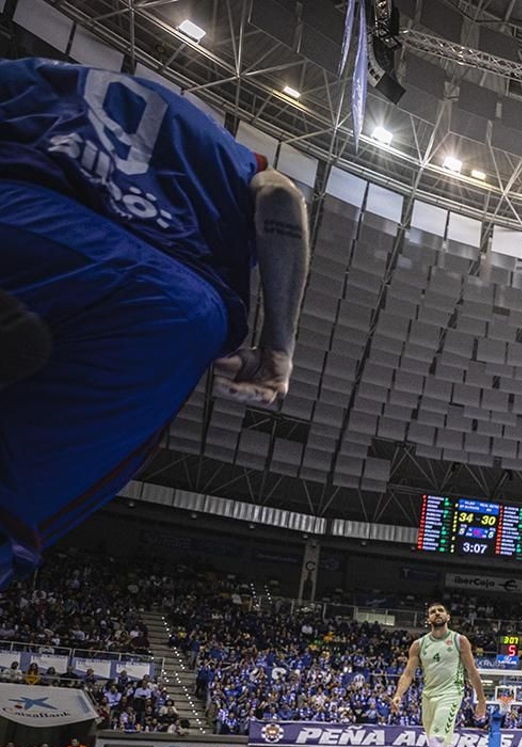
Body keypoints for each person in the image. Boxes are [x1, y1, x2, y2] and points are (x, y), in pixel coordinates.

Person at [0, 59, 308, 587]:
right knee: (14, 515)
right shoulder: (233, 156)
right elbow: (280, 198)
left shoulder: (40, 76)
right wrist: (278, 348)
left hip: (31, 218)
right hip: (173, 300)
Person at [386, 602, 486, 747]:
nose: (437, 614)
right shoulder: (419, 645)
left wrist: (481, 700)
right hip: (428, 696)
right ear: (428, 619)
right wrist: (398, 695)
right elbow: (407, 674)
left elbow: (472, 671)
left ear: (448, 616)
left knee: (438, 739)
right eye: (432, 612)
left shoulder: (459, 640)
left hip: (451, 693)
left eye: (440, 610)